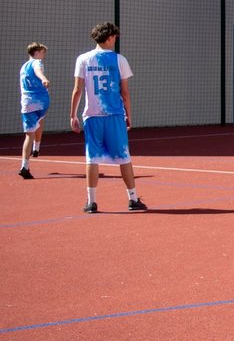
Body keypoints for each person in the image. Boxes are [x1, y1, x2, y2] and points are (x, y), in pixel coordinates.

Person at [69, 22, 147, 213]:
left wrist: (73, 114)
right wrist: (129, 115)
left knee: (92, 158)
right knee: (124, 157)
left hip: (92, 116)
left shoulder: (83, 59)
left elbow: (78, 90)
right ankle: (133, 199)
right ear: (110, 38)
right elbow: (125, 92)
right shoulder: (119, 60)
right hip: (114, 115)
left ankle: (91, 202)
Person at [18, 43, 51, 179]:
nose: (43, 56)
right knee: (40, 119)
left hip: (26, 102)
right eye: (43, 53)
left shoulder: (23, 67)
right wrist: (43, 78)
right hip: (39, 100)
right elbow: (38, 70)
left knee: (29, 135)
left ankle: (25, 165)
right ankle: (37, 147)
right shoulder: (37, 62)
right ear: (37, 52)